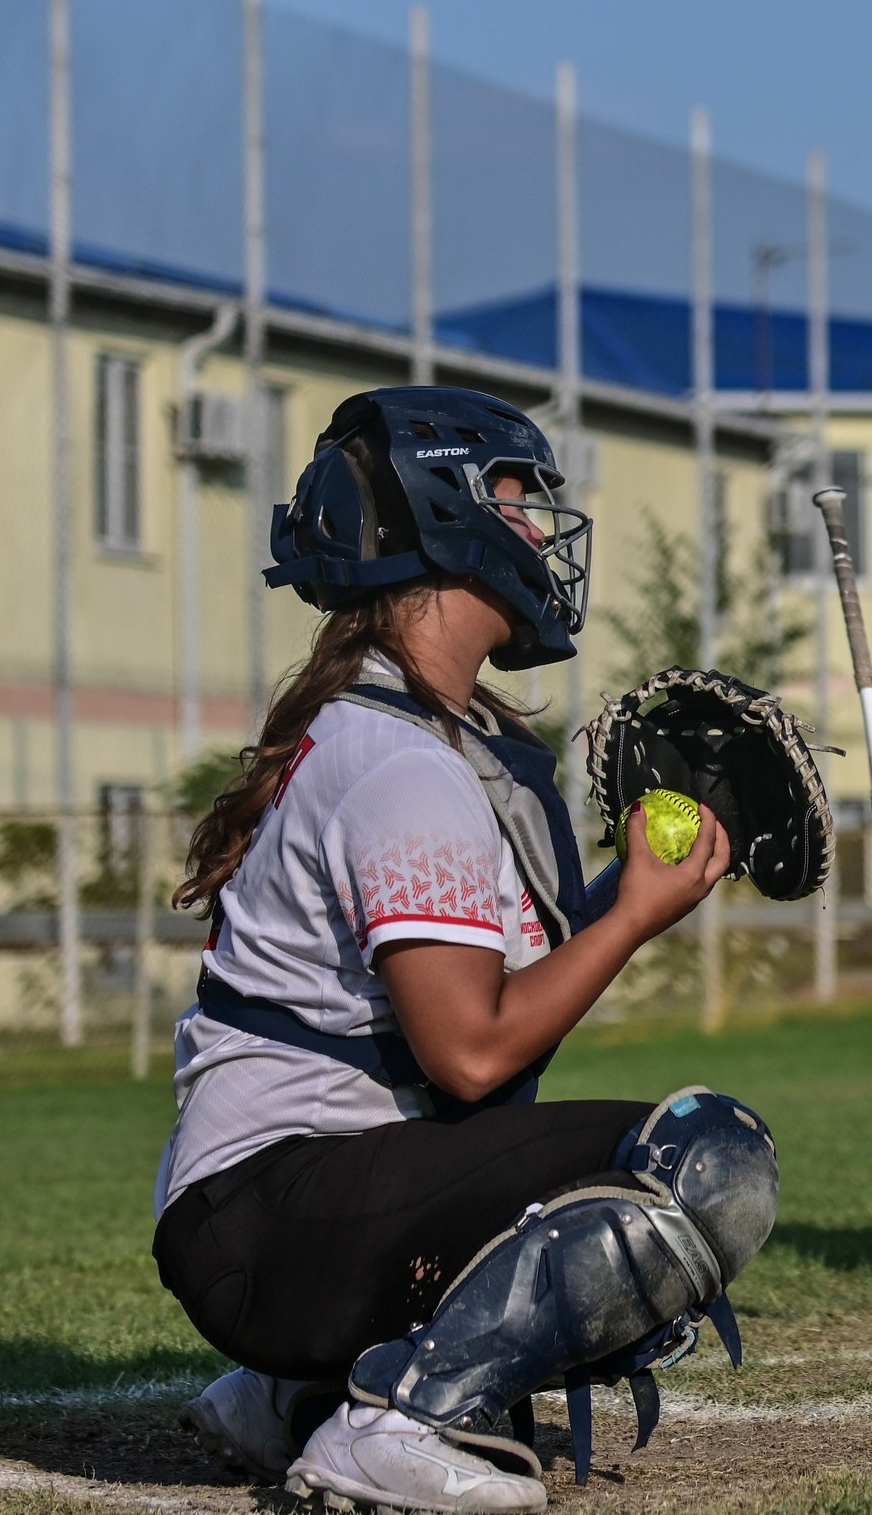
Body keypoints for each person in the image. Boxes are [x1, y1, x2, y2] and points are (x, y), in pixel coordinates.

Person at [152, 387, 779, 1514]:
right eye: (513, 498)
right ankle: (398, 1420)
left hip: (271, 1208)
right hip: (270, 1217)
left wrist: (637, 892)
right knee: (706, 1160)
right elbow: (472, 1055)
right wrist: (629, 919)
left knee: (631, 1154)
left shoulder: (405, 730)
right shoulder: (406, 767)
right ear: (443, 516)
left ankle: (296, 1395)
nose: (538, 528)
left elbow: (471, 1018)